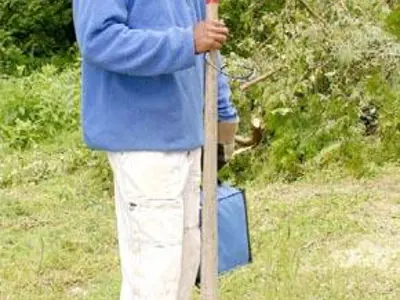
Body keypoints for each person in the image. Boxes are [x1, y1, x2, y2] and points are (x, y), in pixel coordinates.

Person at [72, 0, 238, 299]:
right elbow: (98, 39)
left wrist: (224, 114)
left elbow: (209, 41)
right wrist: (185, 41)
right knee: (156, 271)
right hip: (142, 141)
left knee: (186, 262)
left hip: (187, 135)